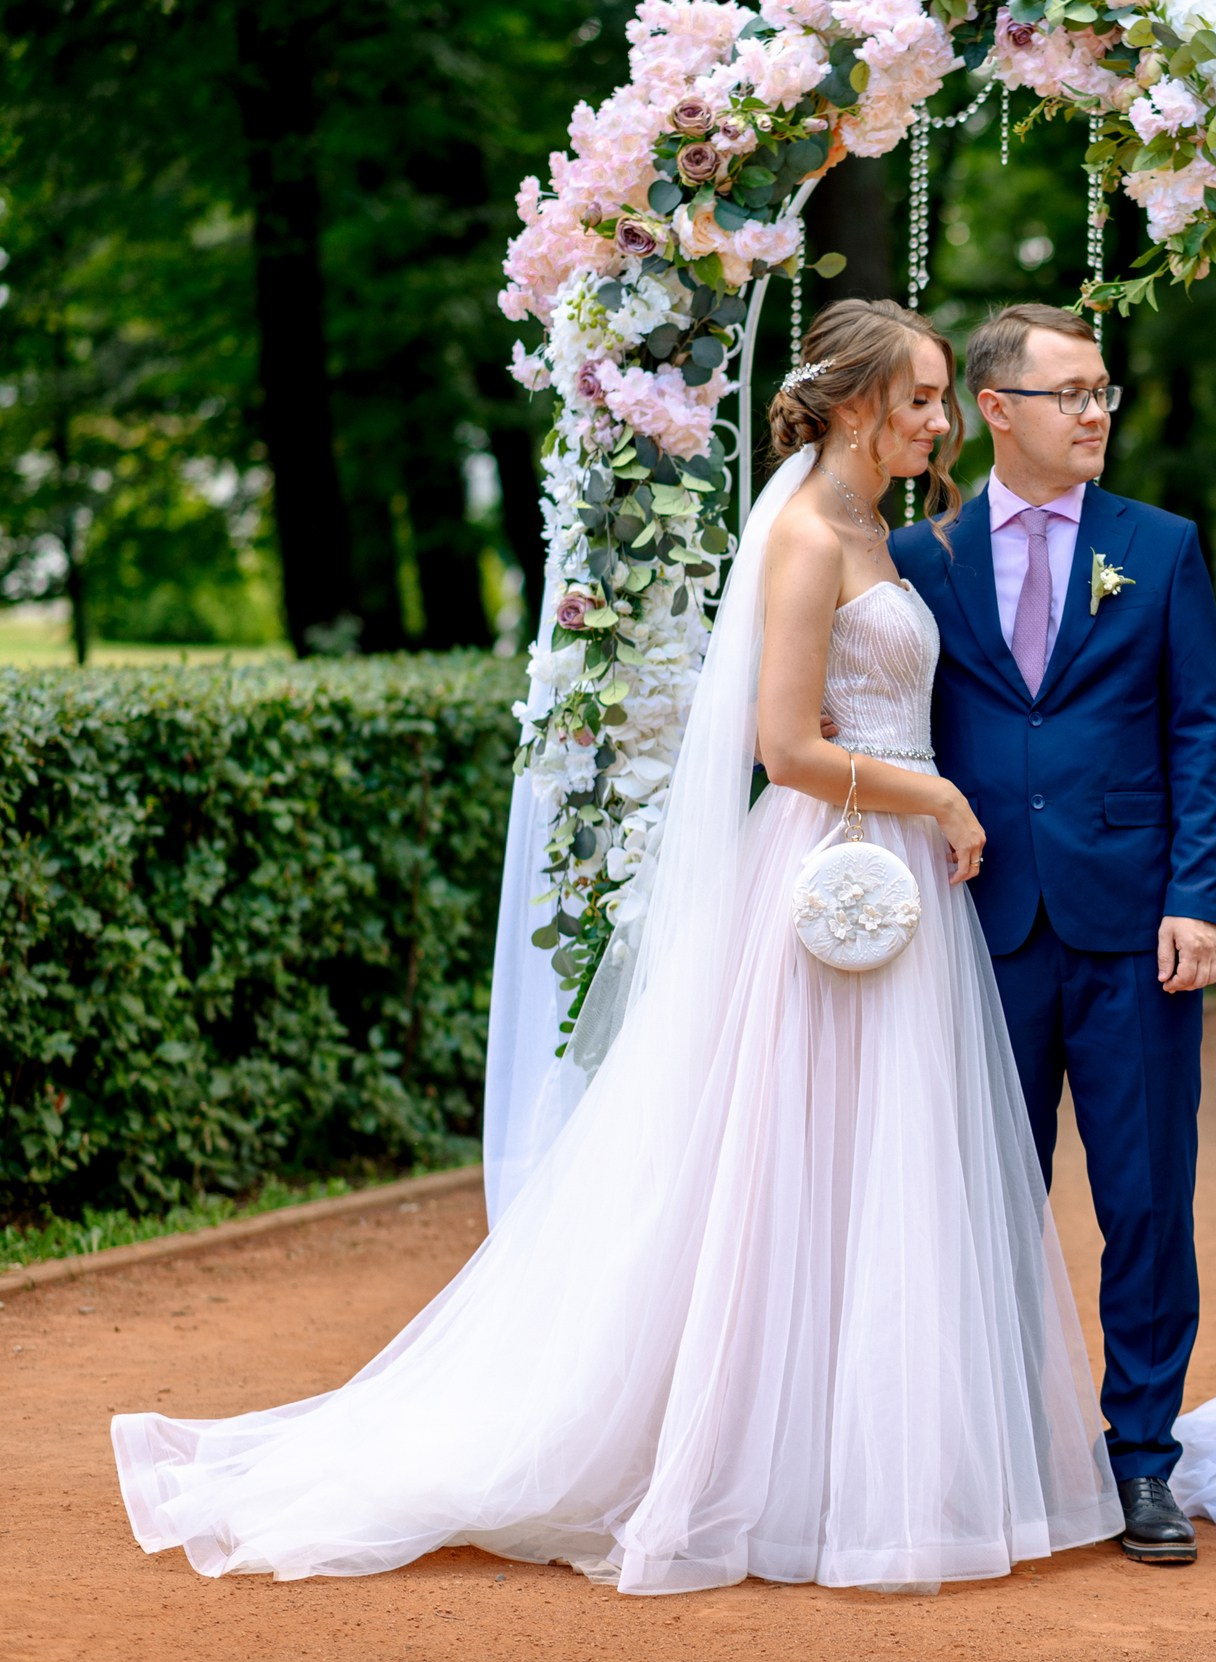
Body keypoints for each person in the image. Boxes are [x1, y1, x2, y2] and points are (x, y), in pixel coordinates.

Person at [110, 299, 1124, 1593]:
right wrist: (936, 798)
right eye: (923, 399)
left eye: (938, 399)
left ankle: (865, 1454)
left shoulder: (878, 525)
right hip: (838, 873)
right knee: (794, 1164)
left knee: (880, 1167)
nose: (941, 420)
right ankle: (760, 1460)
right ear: (860, 405)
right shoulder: (811, 535)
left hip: (898, 881)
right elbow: (787, 747)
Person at [888, 303, 1216, 1566]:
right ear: (997, 411)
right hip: (977, 927)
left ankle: (1143, 1460)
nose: (1097, 412)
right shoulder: (918, 557)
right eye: (1071, 392)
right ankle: (997, 1456)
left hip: (1137, 923)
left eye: (1105, 392)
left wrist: (1199, 894)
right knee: (985, 1197)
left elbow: (1200, 728)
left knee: (1147, 1201)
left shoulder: (1160, 547)